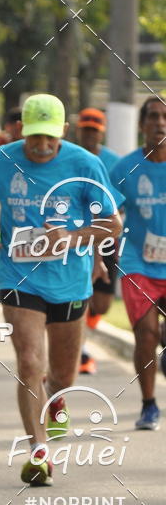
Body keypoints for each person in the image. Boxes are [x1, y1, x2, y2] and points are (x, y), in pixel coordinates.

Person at [0, 93, 123, 485]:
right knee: (29, 363)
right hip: (18, 276)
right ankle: (39, 453)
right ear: (21, 130)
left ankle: (56, 400)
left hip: (70, 281)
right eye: (34, 138)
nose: (41, 147)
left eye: (50, 139)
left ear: (63, 131)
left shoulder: (84, 164)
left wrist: (73, 237)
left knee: (62, 376)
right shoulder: (0, 159)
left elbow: (113, 224)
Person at [111, 96, 166, 430]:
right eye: (154, 117)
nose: (161, 123)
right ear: (142, 125)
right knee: (145, 334)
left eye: (165, 117)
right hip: (137, 262)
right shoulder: (125, 167)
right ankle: (149, 404)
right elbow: (105, 209)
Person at [76, 108, 121, 374]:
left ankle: (83, 334)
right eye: (86, 129)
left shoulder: (114, 162)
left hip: (105, 236)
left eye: (95, 129)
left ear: (101, 132)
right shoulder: (70, 156)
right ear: (79, 130)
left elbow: (120, 203)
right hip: (75, 237)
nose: (90, 134)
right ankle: (80, 349)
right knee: (81, 292)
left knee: (102, 302)